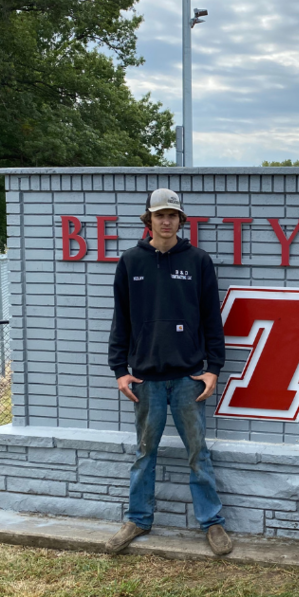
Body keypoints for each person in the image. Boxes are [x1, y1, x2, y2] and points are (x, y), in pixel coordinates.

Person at [106, 188, 231, 556]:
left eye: (172, 215)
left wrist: (214, 369)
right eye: (159, 215)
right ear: (149, 219)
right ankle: (138, 519)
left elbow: (212, 319)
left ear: (180, 220)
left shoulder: (197, 260)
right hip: (145, 379)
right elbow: (121, 319)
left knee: (198, 453)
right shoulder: (131, 261)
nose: (166, 221)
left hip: (188, 379)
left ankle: (212, 523)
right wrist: (119, 369)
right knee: (145, 453)